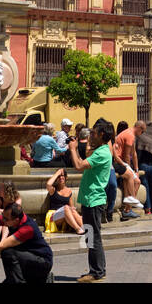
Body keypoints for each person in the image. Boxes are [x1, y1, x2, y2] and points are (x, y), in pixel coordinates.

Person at [67, 119, 114, 282]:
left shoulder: (102, 152)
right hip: (90, 199)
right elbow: (87, 157)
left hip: (94, 200)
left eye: (93, 133)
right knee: (90, 236)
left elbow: (79, 166)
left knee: (93, 237)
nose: (90, 135)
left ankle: (97, 271)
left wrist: (72, 149)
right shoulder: (101, 149)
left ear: (101, 134)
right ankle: (96, 269)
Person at [113, 120, 143, 219]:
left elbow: (133, 154)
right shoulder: (130, 135)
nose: (142, 134)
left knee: (133, 180)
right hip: (119, 163)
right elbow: (126, 156)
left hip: (121, 163)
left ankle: (128, 207)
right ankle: (128, 207)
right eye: (142, 132)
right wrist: (130, 169)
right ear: (139, 128)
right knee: (137, 181)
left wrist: (137, 169)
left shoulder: (131, 135)